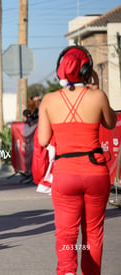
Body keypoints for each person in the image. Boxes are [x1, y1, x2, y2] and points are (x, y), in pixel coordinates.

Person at [37, 46, 117, 275]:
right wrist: (98, 89)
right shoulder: (98, 96)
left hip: (65, 174)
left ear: (59, 70)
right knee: (93, 232)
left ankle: (67, 271)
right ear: (86, 70)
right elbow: (111, 123)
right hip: (95, 172)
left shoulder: (49, 100)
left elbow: (43, 140)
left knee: (66, 233)